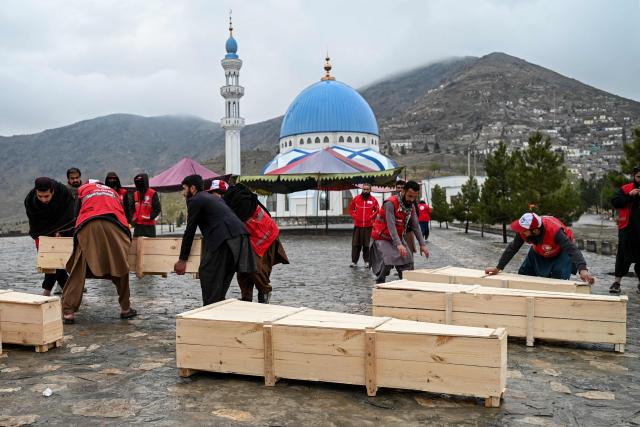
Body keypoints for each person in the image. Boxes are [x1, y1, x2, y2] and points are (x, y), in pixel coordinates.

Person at [62, 180, 137, 323]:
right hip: (115, 226)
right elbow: (124, 213)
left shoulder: (83, 189)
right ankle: (125, 309)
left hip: (88, 225)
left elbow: (76, 215)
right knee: (120, 266)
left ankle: (68, 312)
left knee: (79, 268)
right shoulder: (112, 191)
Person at [174, 175, 256, 306]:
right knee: (221, 276)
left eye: (184, 189)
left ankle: (210, 310)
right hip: (240, 237)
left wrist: (182, 259)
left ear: (193, 188)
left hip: (226, 238)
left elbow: (190, 231)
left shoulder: (195, 200)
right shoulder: (211, 198)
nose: (183, 193)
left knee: (208, 273)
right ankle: (217, 307)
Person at [215, 180, 289, 303]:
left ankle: (265, 292)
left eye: (214, 193)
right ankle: (246, 299)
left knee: (255, 268)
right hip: (254, 237)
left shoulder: (237, 202)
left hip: (265, 236)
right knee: (243, 269)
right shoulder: (235, 201)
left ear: (221, 193)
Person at [485, 212, 595, 284]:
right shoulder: (523, 232)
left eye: (523, 230)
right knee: (524, 274)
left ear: (535, 230)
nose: (520, 231)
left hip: (561, 251)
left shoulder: (555, 231)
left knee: (558, 278)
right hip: (539, 251)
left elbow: (572, 249)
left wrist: (583, 269)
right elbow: (512, 248)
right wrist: (498, 268)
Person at [369, 180, 429, 283]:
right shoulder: (390, 203)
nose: (412, 199)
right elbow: (391, 225)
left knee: (408, 261)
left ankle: (406, 284)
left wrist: (422, 244)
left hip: (398, 237)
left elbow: (415, 226)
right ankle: (380, 284)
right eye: (410, 196)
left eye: (414, 197)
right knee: (387, 261)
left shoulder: (411, 206)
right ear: (403, 191)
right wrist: (399, 245)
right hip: (383, 236)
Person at [24, 177, 76, 296]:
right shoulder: (30, 201)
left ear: (52, 191)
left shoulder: (63, 193)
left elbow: (70, 214)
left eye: (46, 196)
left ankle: (48, 292)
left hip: (63, 230)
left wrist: (61, 231)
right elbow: (34, 223)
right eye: (40, 196)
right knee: (49, 262)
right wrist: (42, 237)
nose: (43, 200)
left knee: (55, 262)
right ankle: (71, 292)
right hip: (42, 232)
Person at [610, 166, 640, 294]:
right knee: (622, 256)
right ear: (634, 176)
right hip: (626, 229)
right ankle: (617, 282)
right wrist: (629, 195)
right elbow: (615, 202)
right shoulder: (626, 188)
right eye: (639, 177)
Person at [349, 183, 379, 268]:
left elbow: (377, 210)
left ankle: (367, 261)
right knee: (355, 244)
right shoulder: (356, 199)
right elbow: (351, 209)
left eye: (367, 189)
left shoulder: (373, 200)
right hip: (358, 226)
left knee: (367, 245)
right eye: (364, 189)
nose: (365, 191)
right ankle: (354, 261)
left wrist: (371, 217)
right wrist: (355, 216)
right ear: (362, 189)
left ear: (370, 190)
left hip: (368, 226)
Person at [132, 173, 161, 237]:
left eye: (140, 181)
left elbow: (158, 209)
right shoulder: (135, 194)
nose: (139, 183)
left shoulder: (152, 193)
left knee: (150, 245)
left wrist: (150, 217)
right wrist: (133, 217)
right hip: (138, 226)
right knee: (136, 245)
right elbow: (132, 208)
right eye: (137, 181)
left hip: (149, 226)